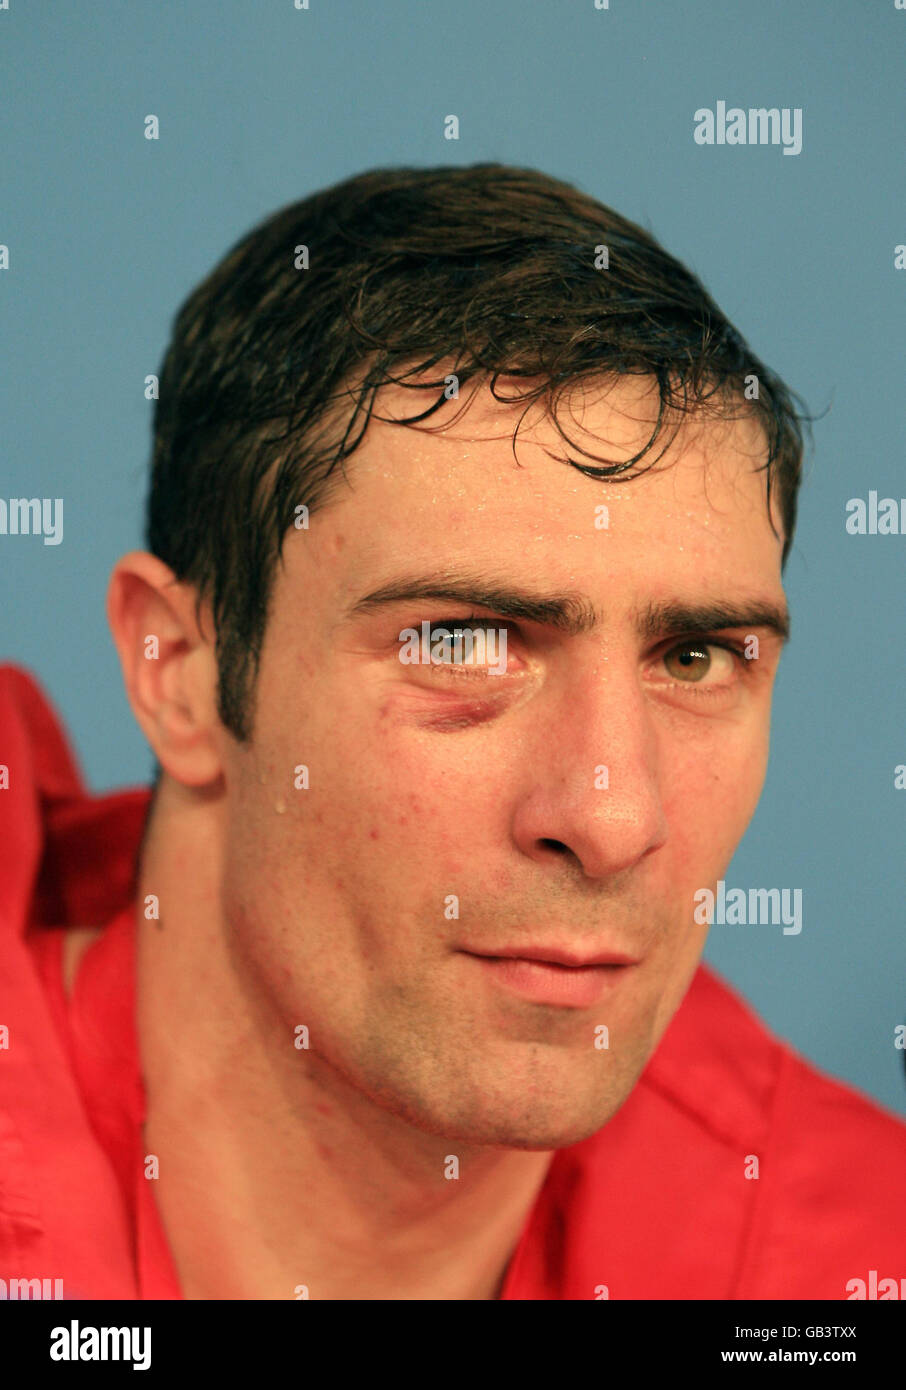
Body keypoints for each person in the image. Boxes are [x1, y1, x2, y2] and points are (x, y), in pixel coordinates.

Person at [2, 163, 904, 1302]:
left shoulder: (857, 1267)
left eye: (693, 657)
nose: (615, 818)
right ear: (177, 669)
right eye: (464, 643)